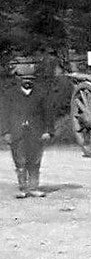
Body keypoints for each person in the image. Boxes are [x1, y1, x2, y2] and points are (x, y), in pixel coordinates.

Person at [0, 65, 55, 198]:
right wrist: (5, 132)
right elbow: (4, 114)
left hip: (36, 133)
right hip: (16, 133)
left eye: (31, 78)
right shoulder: (10, 94)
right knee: (20, 161)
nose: (27, 81)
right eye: (24, 78)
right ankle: (23, 189)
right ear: (18, 79)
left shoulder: (41, 94)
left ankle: (34, 187)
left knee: (35, 161)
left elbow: (48, 114)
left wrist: (48, 131)